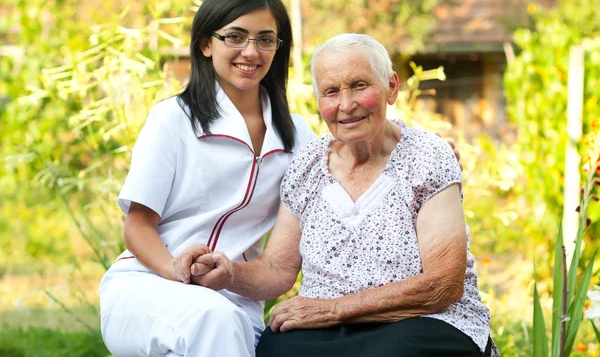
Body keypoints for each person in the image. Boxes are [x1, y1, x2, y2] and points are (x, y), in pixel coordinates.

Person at [99, 0, 462, 357]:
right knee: (215, 323)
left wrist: (431, 150)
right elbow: (137, 227)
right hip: (148, 285)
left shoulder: (297, 137)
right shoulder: (173, 120)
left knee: (252, 335)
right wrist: (177, 271)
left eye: (265, 39)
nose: (250, 51)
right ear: (206, 44)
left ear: (278, 47)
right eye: (235, 37)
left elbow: (358, 145)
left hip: (237, 300)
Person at [173, 33, 498, 357]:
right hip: (329, 329)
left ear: (392, 88)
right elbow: (277, 269)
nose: (346, 105)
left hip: (423, 320)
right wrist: (228, 272)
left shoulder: (428, 157)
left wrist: (333, 309)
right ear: (320, 103)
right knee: (277, 350)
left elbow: (442, 285)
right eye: (331, 92)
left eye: (359, 85)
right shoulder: (308, 165)